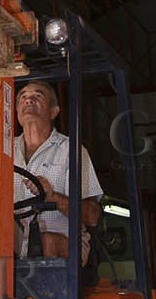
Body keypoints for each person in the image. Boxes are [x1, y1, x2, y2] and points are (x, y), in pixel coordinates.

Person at [14, 80, 103, 262]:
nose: (28, 100)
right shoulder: (0, 150)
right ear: (16, 112)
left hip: (64, 244)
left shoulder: (71, 150)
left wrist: (52, 197)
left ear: (54, 111)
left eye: (37, 96)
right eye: (23, 97)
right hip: (13, 244)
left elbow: (92, 216)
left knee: (45, 242)